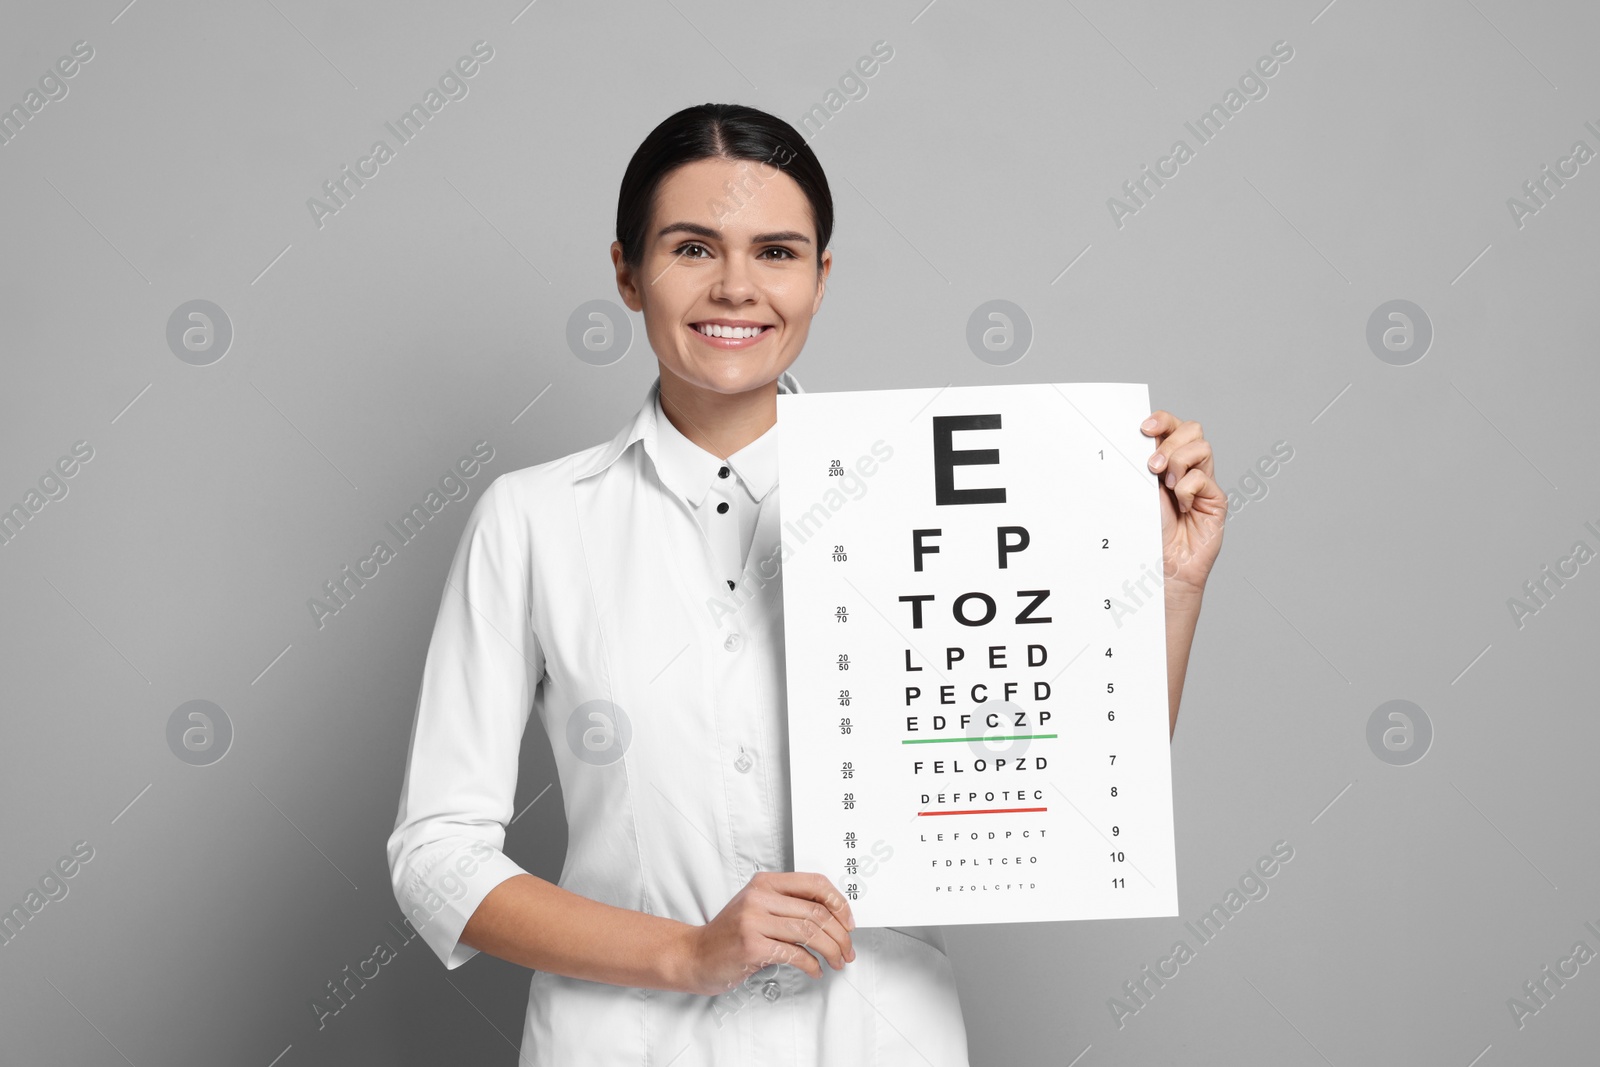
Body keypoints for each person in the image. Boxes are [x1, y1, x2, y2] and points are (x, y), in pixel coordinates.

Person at [385, 102, 1225, 1066]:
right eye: (693, 247)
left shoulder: (932, 500)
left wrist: (1167, 589)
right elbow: (437, 854)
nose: (736, 287)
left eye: (777, 253)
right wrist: (687, 951)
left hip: (875, 1038)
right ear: (626, 271)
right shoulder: (533, 520)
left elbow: (1065, 782)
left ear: (821, 279)